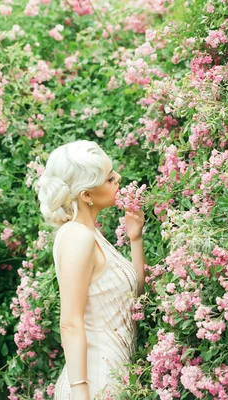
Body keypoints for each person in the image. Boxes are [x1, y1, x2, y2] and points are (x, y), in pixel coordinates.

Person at [34, 140, 146, 399]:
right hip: (93, 384)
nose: (118, 178)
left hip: (115, 380)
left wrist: (135, 239)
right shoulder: (77, 237)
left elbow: (135, 300)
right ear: (86, 195)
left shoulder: (91, 234)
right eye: (109, 178)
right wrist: (80, 392)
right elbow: (70, 323)